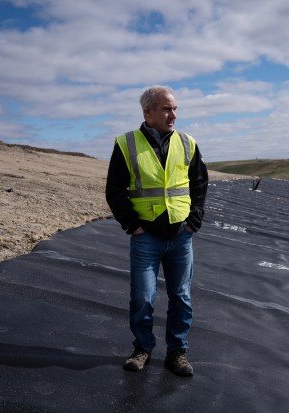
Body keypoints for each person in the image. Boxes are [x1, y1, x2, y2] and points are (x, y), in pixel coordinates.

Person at [105, 86, 208, 376]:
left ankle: (177, 352)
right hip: (146, 236)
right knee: (143, 296)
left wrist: (193, 220)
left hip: (181, 236)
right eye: (166, 109)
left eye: (175, 108)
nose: (173, 115)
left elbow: (199, 184)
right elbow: (114, 190)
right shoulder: (127, 144)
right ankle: (142, 349)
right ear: (147, 112)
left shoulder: (188, 142)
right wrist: (132, 224)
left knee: (181, 296)